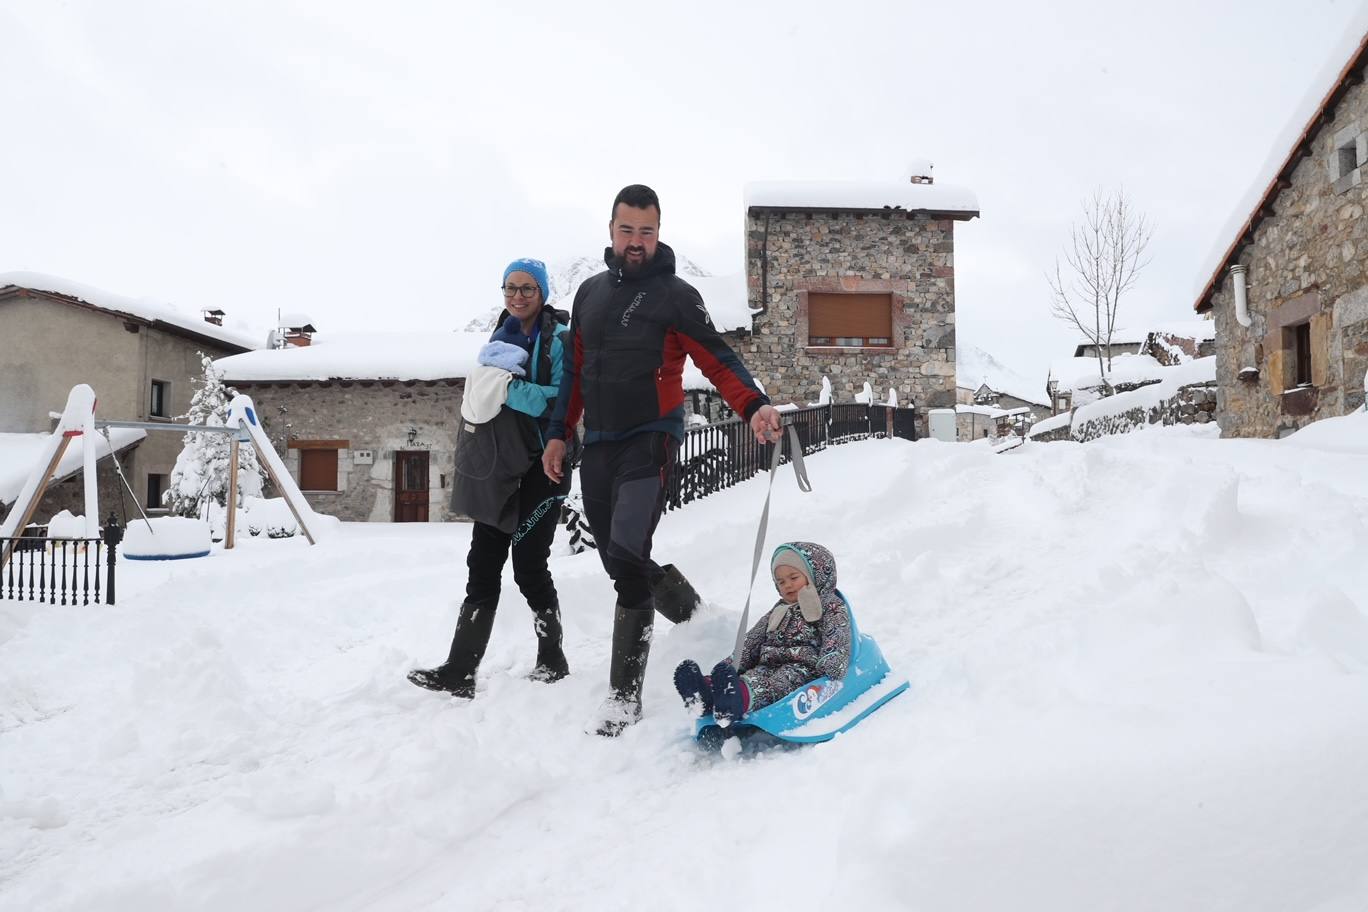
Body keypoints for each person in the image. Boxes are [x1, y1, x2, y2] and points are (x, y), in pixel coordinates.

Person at [542, 183, 783, 736]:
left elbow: (717, 359)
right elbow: (573, 374)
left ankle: (623, 698)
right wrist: (560, 434)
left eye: (646, 232)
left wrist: (753, 405)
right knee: (614, 557)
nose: (636, 241)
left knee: (627, 548)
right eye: (626, 230)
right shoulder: (589, 295)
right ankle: (691, 613)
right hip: (600, 441)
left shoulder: (676, 296)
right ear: (611, 230)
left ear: (659, 232)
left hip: (650, 437)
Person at [409, 258, 574, 698]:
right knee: (482, 564)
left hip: (543, 466)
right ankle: (460, 670)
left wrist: (506, 389)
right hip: (499, 467)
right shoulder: (499, 336)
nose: (518, 296)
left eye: (527, 288)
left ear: (542, 292)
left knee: (528, 566)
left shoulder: (559, 338)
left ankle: (553, 659)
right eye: (510, 288)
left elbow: (566, 400)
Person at [673, 541, 852, 724]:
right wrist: (732, 664)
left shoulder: (829, 605)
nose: (787, 585)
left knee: (771, 686)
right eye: (781, 581)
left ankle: (736, 701)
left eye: (793, 577)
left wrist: (831, 662)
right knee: (751, 677)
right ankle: (705, 693)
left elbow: (837, 632)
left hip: (802, 667)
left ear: (814, 575)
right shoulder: (778, 610)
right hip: (767, 664)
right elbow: (753, 640)